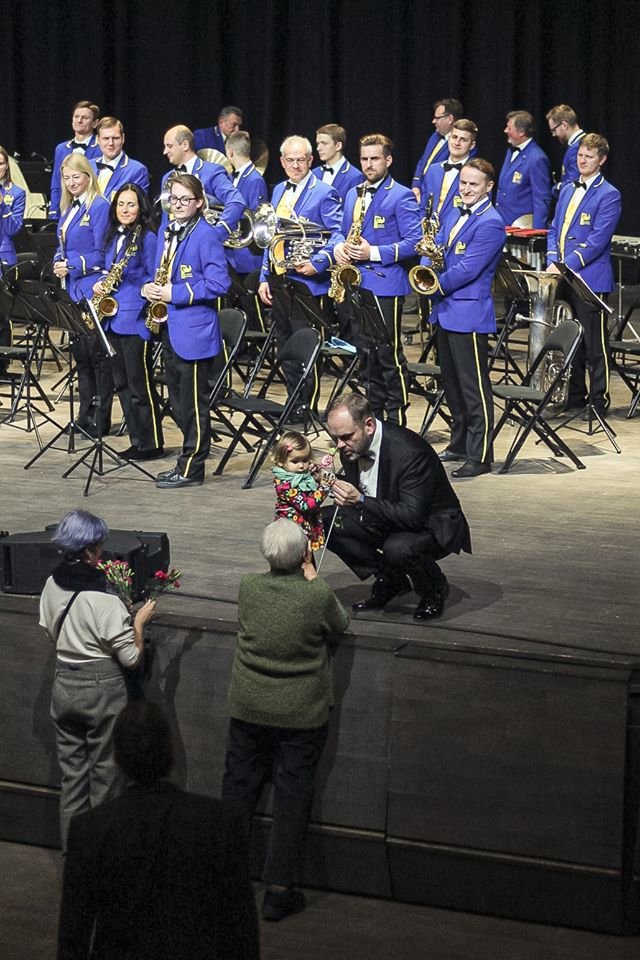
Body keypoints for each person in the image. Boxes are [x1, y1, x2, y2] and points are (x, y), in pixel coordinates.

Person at [58, 701, 260, 960]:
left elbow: (73, 940)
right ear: (170, 752)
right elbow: (242, 934)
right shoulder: (220, 823)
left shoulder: (89, 830)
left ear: (118, 758)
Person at [222, 519, 350, 921]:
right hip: (300, 712)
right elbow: (340, 624)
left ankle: (223, 880)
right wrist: (312, 578)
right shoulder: (318, 595)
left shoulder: (248, 587)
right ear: (305, 555)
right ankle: (278, 889)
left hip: (249, 706)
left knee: (238, 791)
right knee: (292, 798)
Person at [38, 510, 156, 849]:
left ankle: (72, 867)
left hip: (64, 685)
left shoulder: (50, 584)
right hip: (102, 691)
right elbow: (131, 659)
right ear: (92, 549)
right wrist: (139, 623)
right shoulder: (104, 600)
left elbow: (49, 631)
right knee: (105, 782)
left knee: (72, 783)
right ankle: (100, 870)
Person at [324, 393, 471, 619]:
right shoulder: (352, 444)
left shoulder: (410, 452)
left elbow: (413, 516)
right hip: (382, 512)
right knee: (325, 520)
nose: (339, 445)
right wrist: (325, 479)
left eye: (345, 437)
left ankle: (434, 588)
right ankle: (392, 579)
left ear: (369, 426)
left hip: (429, 524)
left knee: (398, 548)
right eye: (335, 438)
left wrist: (360, 500)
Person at [143, 173, 230, 488]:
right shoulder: (168, 229)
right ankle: (189, 459)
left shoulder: (206, 235)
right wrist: (152, 288)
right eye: (173, 198)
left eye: (184, 199)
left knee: (193, 405)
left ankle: (191, 467)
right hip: (169, 326)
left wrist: (174, 293)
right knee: (178, 405)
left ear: (199, 203)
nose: (177, 205)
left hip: (193, 332)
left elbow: (220, 283)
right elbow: (162, 270)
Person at [333, 133, 421, 425]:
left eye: (375, 159)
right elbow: (341, 230)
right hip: (355, 284)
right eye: (364, 159)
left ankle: (397, 415)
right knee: (365, 352)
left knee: (387, 353)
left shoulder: (401, 194)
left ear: (388, 160)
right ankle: (374, 413)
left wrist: (373, 252)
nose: (369, 165)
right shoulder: (352, 193)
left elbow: (415, 242)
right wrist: (339, 247)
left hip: (385, 283)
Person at [426, 158, 506, 477]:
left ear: (488, 187)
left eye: (474, 184)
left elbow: (467, 269)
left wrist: (433, 283)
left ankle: (480, 454)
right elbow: (439, 249)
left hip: (469, 312)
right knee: (453, 386)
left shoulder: (491, 222)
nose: (467, 189)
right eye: (464, 183)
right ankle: (459, 443)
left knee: (473, 388)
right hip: (446, 310)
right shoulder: (454, 211)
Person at [258, 135, 342, 414]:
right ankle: (293, 402)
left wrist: (319, 262)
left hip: (307, 282)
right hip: (279, 279)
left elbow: (337, 234)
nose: (295, 165)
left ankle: (306, 406)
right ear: (282, 162)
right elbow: (270, 237)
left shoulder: (324, 191)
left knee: (306, 346)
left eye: (300, 160)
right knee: (285, 345)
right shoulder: (279, 189)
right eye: (290, 160)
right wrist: (263, 278)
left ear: (310, 160)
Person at [546, 133, 621, 415]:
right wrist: (553, 257)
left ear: (601, 160)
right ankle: (575, 395)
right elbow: (554, 228)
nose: (582, 161)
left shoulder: (609, 194)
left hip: (590, 278)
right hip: (564, 274)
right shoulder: (567, 188)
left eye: (589, 157)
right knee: (572, 339)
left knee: (594, 344)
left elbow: (598, 240)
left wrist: (566, 264)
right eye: (580, 155)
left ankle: (599, 400)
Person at [94, 183, 164, 461]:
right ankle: (137, 439)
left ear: (141, 207)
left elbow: (152, 276)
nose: (125, 209)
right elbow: (107, 266)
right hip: (112, 317)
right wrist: (101, 282)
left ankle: (151, 443)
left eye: (131, 204)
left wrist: (136, 289)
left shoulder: (147, 238)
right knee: (122, 384)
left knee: (139, 385)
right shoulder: (113, 236)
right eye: (121, 204)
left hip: (135, 318)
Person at [52, 152, 112, 435]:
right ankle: (84, 416)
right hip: (72, 291)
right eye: (67, 178)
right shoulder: (69, 208)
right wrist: (57, 261)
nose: (72, 182)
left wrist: (72, 265)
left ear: (88, 176)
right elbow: (62, 246)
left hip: (91, 289)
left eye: (76, 176)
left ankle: (101, 418)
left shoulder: (99, 206)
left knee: (97, 357)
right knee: (82, 357)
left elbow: (101, 254)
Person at [161, 125, 244, 242]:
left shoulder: (211, 171)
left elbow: (236, 201)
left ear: (185, 145)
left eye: (169, 146)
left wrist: (217, 233)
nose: (165, 152)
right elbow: (166, 219)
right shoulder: (167, 178)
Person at [224, 129, 268, 329]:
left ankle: (258, 344)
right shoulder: (238, 177)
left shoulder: (254, 179)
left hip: (248, 256)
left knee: (250, 306)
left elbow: (255, 218)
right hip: (235, 254)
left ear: (230, 152)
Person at [271, 431, 334, 551]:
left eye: (305, 460)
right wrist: (323, 488)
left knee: (307, 556)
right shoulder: (284, 485)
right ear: (280, 461)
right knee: (298, 560)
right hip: (292, 532)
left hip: (305, 525)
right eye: (295, 461)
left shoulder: (303, 475)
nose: (301, 466)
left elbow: (309, 473)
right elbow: (305, 505)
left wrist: (315, 470)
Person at [495, 110, 553, 228]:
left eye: (509, 128)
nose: (505, 131)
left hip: (522, 227)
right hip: (503, 223)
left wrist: (537, 232)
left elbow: (541, 198)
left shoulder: (537, 158)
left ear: (521, 132)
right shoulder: (510, 151)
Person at [49, 100, 101, 221]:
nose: (79, 120)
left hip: (90, 208)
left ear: (95, 123)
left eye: (85, 117)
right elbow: (57, 182)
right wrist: (54, 211)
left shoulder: (101, 147)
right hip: (65, 208)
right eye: (76, 116)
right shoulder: (61, 148)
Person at [418, 118, 478, 221]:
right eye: (454, 137)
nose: (457, 143)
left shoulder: (477, 174)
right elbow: (423, 207)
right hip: (429, 234)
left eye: (463, 140)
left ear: (472, 145)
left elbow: (478, 213)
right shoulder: (433, 170)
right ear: (449, 138)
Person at [0, 144, 26, 373]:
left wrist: (2, 205)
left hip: (3, 255)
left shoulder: (16, 193)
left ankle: (2, 365)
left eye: (0, 162)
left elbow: (13, 229)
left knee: (1, 313)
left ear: (6, 165)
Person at [412, 98, 465, 202]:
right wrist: (416, 186)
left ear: (450, 119)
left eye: (437, 118)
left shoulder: (459, 146)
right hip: (420, 193)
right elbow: (423, 161)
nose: (433, 121)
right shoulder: (435, 136)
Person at [90, 116, 150, 203]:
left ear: (123, 138)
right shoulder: (88, 166)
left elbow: (138, 206)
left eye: (115, 138)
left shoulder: (137, 170)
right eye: (106, 138)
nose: (111, 143)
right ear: (98, 140)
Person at [312, 123, 362, 201]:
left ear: (338, 146)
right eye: (318, 143)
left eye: (324, 143)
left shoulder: (355, 177)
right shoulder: (314, 173)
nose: (318, 148)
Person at [546, 104, 586, 195]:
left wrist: (557, 187)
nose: (553, 134)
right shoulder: (575, 145)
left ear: (564, 125)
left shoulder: (579, 147)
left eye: (554, 130)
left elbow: (574, 184)